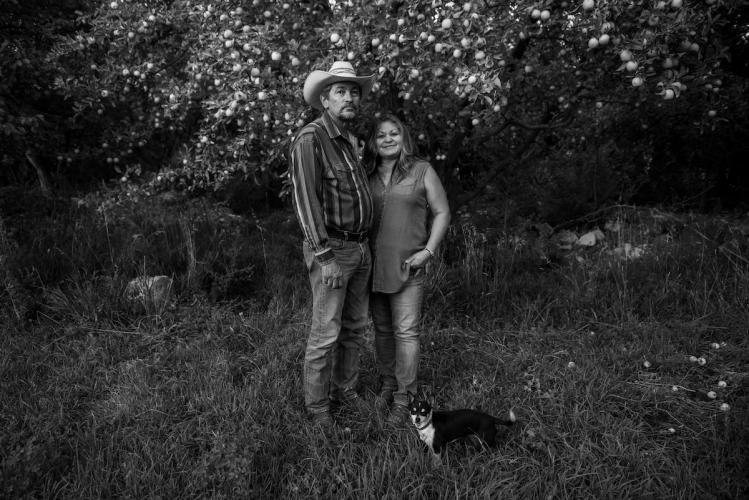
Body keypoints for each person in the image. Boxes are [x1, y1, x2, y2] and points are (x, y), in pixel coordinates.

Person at [288, 61, 376, 431]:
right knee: (326, 332)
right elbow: (305, 202)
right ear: (324, 99)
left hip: (360, 249)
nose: (349, 97)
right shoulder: (311, 139)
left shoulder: (348, 141)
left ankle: (346, 390)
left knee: (354, 327)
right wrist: (325, 257)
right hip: (334, 251)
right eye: (341, 91)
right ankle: (318, 407)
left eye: (354, 91)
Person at [363, 114, 451, 424]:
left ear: (404, 137)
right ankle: (389, 383)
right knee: (383, 332)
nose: (387, 139)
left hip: (409, 267)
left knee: (406, 332)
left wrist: (428, 251)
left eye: (394, 133)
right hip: (373, 267)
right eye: (381, 135)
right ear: (373, 142)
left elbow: (442, 212)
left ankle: (406, 396)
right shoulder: (367, 173)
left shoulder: (421, 169)